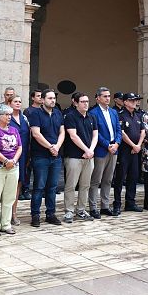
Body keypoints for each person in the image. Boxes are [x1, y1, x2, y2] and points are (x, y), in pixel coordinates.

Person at [28, 89, 65, 226]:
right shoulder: (35, 114)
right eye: (49, 98)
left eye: (54, 98)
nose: (53, 100)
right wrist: (50, 147)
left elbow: (62, 132)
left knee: (52, 187)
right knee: (39, 186)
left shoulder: (58, 113)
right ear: (42, 100)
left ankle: (50, 213)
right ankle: (35, 215)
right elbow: (36, 134)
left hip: (55, 156)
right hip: (41, 156)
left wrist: (57, 147)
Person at [0, 104, 22, 235]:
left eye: (10, 114)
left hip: (13, 167)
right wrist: (5, 161)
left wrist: (13, 161)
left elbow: (19, 147)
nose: (9, 117)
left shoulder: (14, 130)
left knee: (9, 197)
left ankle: (6, 224)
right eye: (6, 114)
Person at [63, 92, 98, 222]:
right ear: (76, 103)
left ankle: (81, 210)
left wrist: (90, 151)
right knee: (71, 185)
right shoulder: (70, 117)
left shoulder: (92, 117)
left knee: (85, 185)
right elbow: (73, 136)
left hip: (89, 157)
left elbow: (95, 135)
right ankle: (69, 211)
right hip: (74, 156)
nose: (86, 104)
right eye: (83, 101)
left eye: (87, 101)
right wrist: (86, 150)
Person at [88, 87, 121, 218]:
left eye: (109, 96)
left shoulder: (113, 112)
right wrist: (107, 145)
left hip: (114, 149)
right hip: (101, 149)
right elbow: (95, 133)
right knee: (96, 180)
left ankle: (105, 206)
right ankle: (93, 207)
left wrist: (117, 143)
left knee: (108, 180)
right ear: (98, 98)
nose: (108, 98)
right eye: (105, 96)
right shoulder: (93, 112)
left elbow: (118, 129)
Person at [113, 93, 146, 214]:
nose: (135, 102)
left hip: (135, 151)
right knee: (120, 178)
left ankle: (130, 203)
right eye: (132, 100)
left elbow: (143, 131)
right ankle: (117, 204)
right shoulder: (120, 115)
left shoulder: (137, 115)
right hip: (124, 151)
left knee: (134, 177)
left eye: (136, 100)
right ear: (125, 102)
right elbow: (121, 132)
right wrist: (133, 145)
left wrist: (138, 146)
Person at [9, 95, 30, 225]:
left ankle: (14, 213)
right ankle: (3, 214)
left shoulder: (24, 118)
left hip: (23, 156)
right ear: (9, 103)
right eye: (15, 101)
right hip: (9, 155)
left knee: (18, 184)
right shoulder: (6, 117)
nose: (18, 103)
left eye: (20, 101)